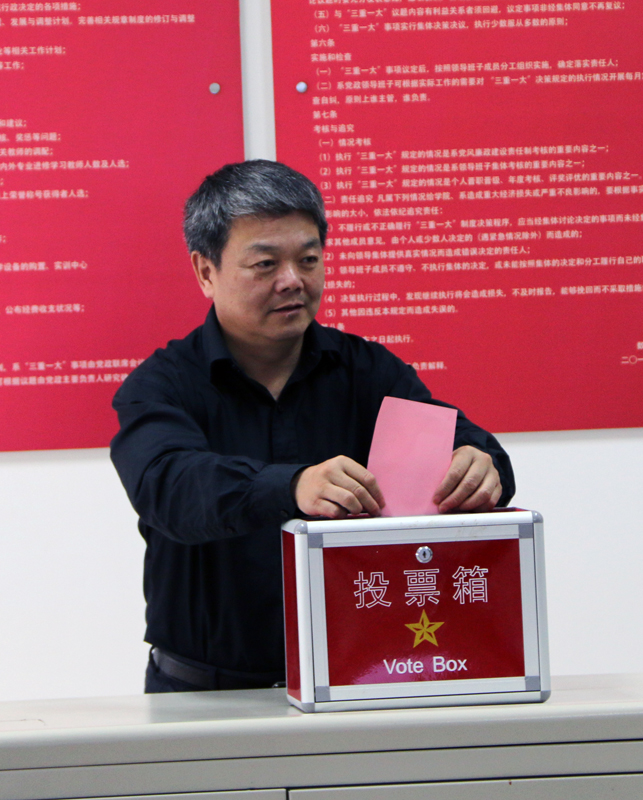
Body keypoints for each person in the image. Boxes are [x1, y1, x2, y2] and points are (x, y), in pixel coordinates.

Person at [110, 160, 515, 693]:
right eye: (265, 264)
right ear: (206, 271)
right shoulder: (160, 386)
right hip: (203, 691)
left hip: (359, 676)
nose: (292, 281)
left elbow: (463, 444)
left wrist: (483, 465)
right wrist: (293, 486)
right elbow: (170, 487)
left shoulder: (369, 373)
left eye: (308, 259)